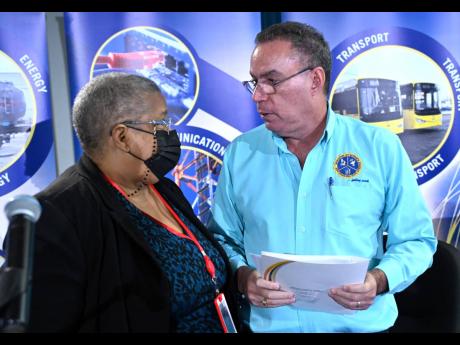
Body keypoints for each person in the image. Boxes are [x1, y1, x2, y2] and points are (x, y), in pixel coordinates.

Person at [208, 21, 437, 333]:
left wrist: (378, 280)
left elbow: (415, 240)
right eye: (254, 82)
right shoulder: (241, 153)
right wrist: (242, 276)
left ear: (315, 79)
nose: (258, 96)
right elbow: (221, 240)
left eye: (272, 81)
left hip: (360, 327)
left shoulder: (378, 147)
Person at [28, 72, 239, 332]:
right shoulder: (60, 213)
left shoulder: (165, 188)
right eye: (159, 122)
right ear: (122, 137)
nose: (169, 132)